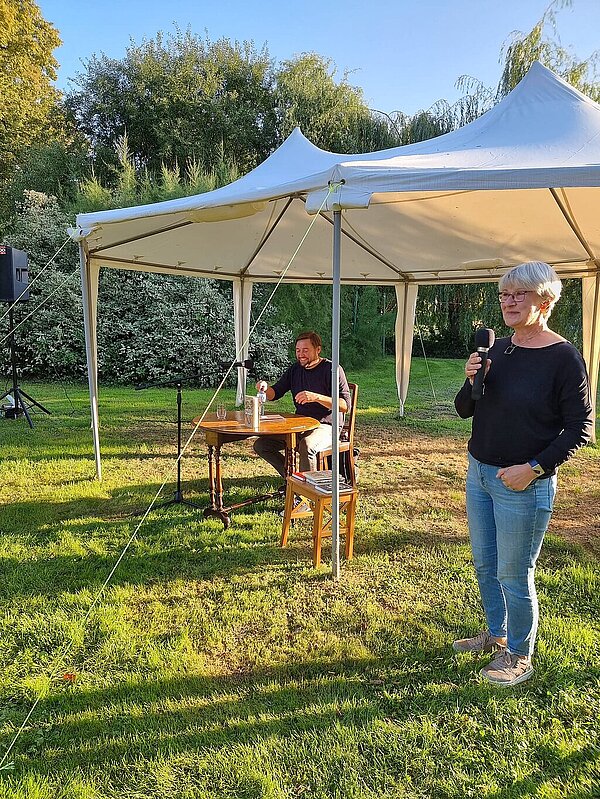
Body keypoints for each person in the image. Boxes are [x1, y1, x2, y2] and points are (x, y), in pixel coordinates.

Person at [453, 261, 593, 687]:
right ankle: (496, 634)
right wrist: (470, 379)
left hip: (522, 483)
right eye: (504, 294)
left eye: (520, 294)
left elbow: (581, 428)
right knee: (486, 564)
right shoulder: (497, 350)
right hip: (479, 472)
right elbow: (465, 410)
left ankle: (519, 654)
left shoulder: (564, 358)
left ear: (545, 301)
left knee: (514, 573)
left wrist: (533, 468)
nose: (509, 302)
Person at [254, 331, 351, 478]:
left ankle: (306, 494)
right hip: (300, 424)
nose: (301, 354)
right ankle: (292, 478)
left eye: (305, 350)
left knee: (307, 445)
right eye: (298, 351)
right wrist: (265, 387)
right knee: (261, 445)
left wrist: (316, 397)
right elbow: (275, 393)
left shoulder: (332, 369)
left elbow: (345, 406)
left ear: (318, 350)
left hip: (326, 426)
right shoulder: (295, 369)